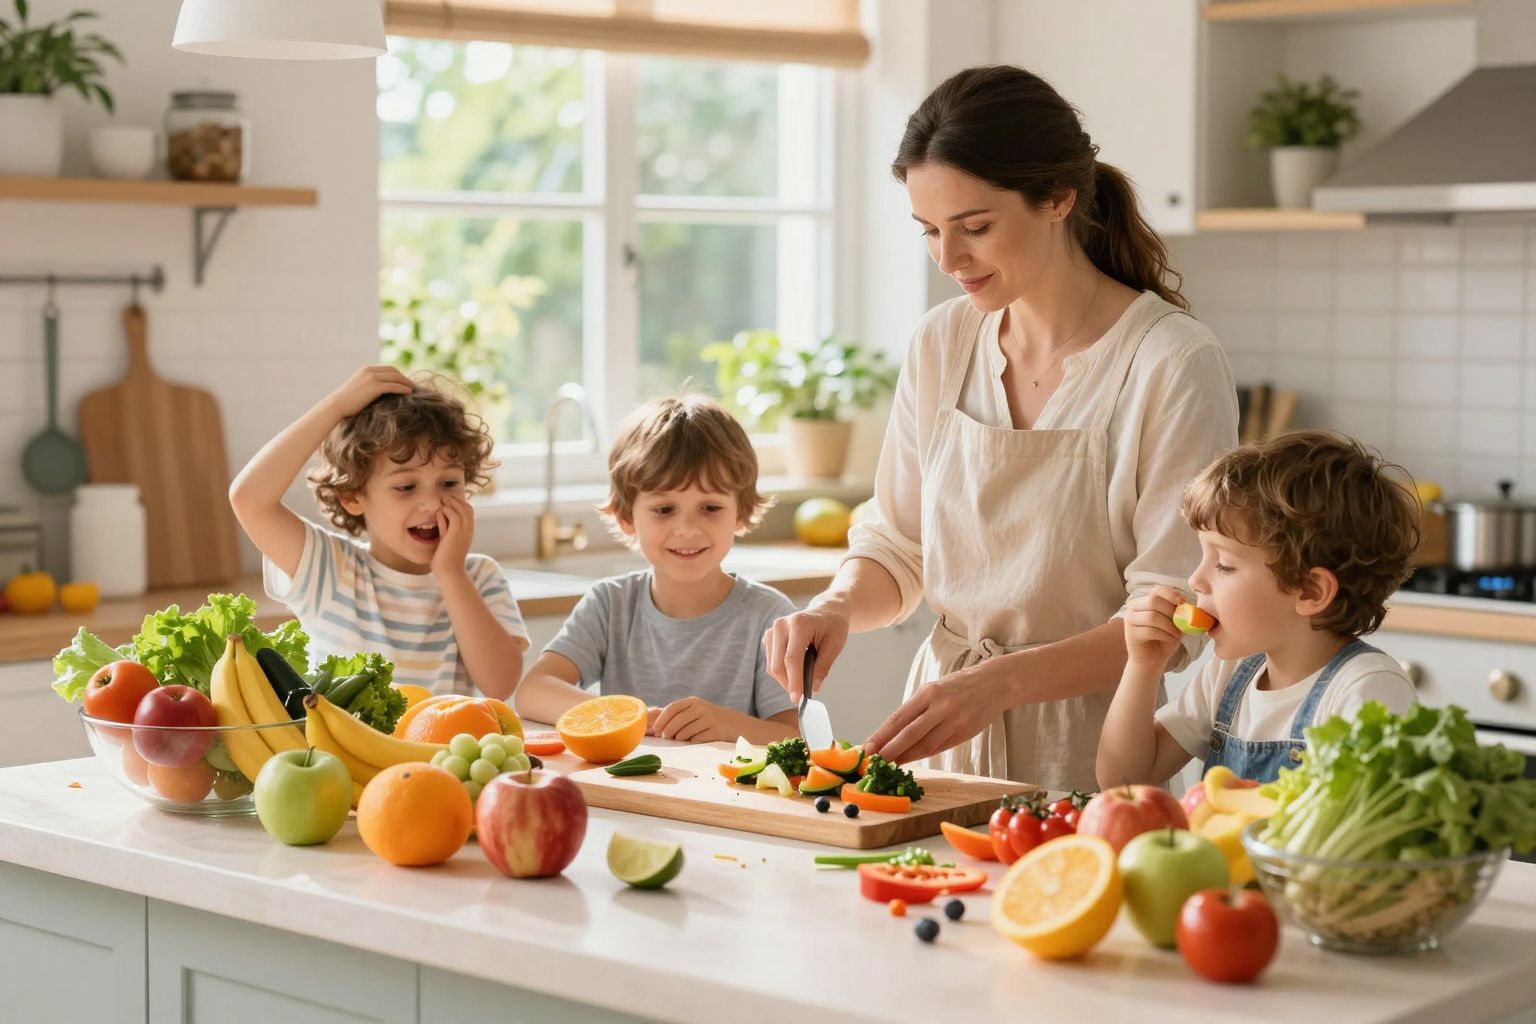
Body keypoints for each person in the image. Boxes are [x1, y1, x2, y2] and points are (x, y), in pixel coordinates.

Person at [762, 65, 1238, 792]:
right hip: (942, 747)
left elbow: (1170, 618)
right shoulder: (942, 343)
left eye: (975, 228)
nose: (949, 260)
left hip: (1093, 757)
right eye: (929, 231)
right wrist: (834, 608)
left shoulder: (1171, 362)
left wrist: (1001, 686)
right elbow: (899, 547)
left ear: (1057, 197)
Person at [1097, 431, 1420, 787]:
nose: (1196, 580)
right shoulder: (1229, 673)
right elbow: (1123, 781)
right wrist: (1142, 668)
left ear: (1310, 591)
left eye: (1223, 564)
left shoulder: (1366, 691)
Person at [229, 366, 528, 698]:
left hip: (440, 751)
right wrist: (336, 406)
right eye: (405, 486)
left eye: (448, 483)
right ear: (353, 495)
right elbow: (249, 500)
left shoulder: (480, 577)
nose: (431, 503)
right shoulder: (331, 569)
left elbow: (500, 685)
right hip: (339, 751)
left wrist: (451, 573)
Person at [515, 395, 799, 744]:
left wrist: (726, 724)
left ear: (739, 514)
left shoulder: (769, 616)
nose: (687, 528)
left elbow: (796, 739)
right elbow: (533, 691)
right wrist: (622, 716)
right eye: (665, 509)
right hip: (629, 796)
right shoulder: (609, 604)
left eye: (710, 507)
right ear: (626, 518)